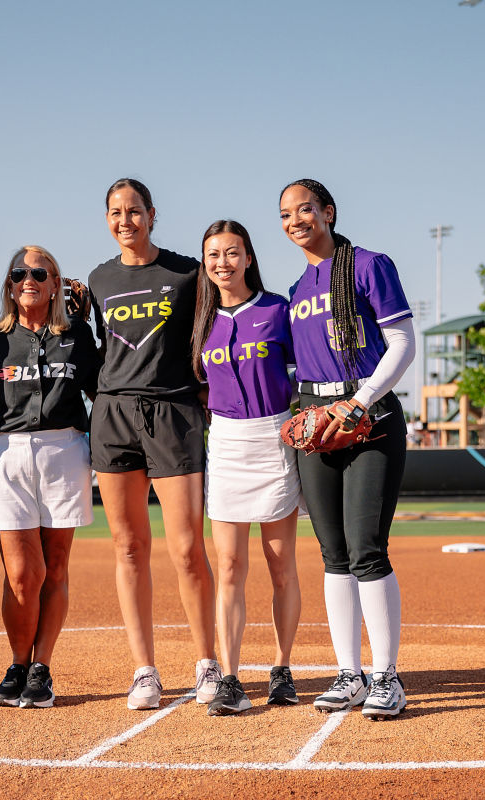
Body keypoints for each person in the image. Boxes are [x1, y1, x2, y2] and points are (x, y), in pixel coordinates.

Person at [279, 179, 415, 720]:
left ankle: (387, 676)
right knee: (333, 556)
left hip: (369, 419)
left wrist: (359, 403)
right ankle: (350, 674)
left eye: (305, 209)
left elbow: (402, 342)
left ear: (328, 212)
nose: (295, 220)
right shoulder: (296, 289)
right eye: (286, 214)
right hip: (317, 421)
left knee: (366, 550)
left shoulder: (368, 265)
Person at [89, 178, 220, 710]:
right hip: (113, 413)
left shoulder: (188, 272)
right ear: (107, 219)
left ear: (152, 214)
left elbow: (216, 330)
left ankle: (207, 662)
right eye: (117, 212)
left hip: (174, 412)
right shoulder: (97, 280)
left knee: (188, 549)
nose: (127, 220)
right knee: (128, 547)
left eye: (135, 211)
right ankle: (144, 670)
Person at [0, 246, 100, 709]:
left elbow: (101, 390)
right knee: (22, 574)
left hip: (64, 449)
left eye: (39, 273)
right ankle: (16, 662)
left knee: (56, 567)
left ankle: (41, 667)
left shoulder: (77, 337)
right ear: (9, 285)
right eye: (19, 273)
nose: (28, 279)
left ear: (56, 284)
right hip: (5, 451)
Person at [191, 220, 302, 716]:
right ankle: (232, 677)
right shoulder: (201, 320)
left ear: (249, 258)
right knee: (230, 566)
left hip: (274, 437)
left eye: (232, 253)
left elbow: (308, 369)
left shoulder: (279, 309)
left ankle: (281, 668)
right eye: (213, 254)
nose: (223, 263)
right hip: (228, 442)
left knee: (281, 565)